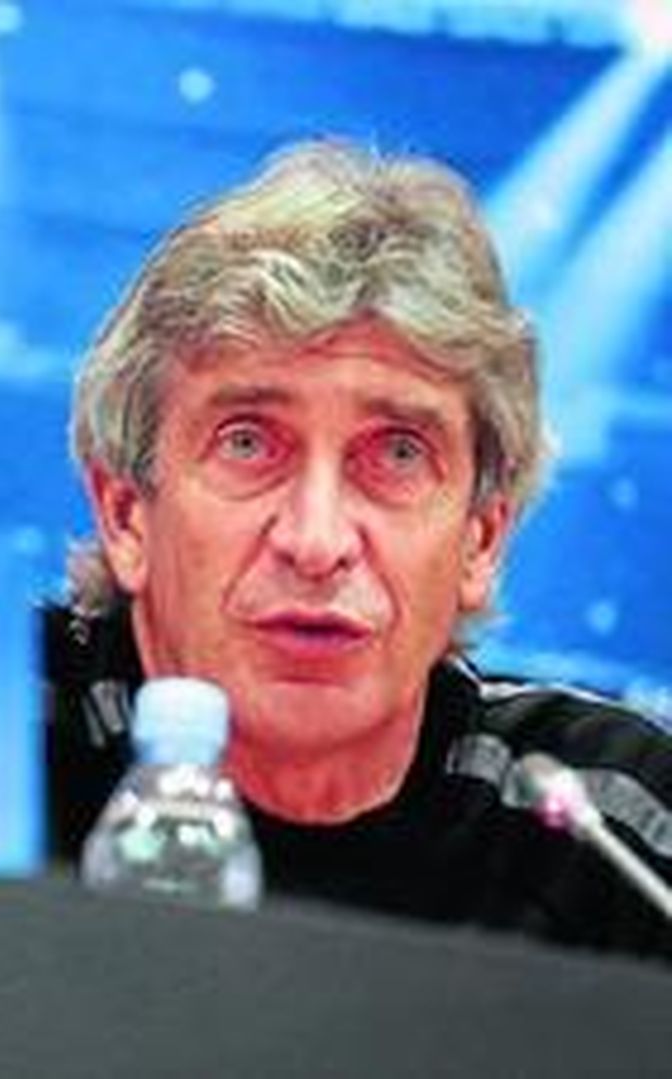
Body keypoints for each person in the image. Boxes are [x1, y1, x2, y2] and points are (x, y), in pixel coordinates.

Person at [46, 138, 672, 959]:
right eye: (247, 442)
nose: (317, 542)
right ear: (127, 514)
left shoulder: (610, 824)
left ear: (481, 539)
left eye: (399, 454)